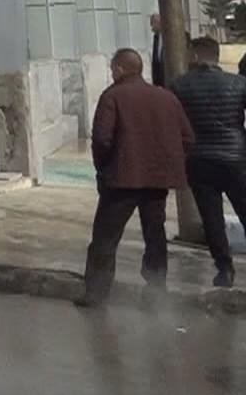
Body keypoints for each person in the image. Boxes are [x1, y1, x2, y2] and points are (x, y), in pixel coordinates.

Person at [81, 47, 196, 307]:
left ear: (120, 69)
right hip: (157, 181)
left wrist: (104, 169)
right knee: (155, 234)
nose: (112, 73)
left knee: (105, 238)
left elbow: (101, 139)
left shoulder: (113, 96)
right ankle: (156, 289)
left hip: (122, 180)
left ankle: (96, 293)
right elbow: (188, 138)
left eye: (113, 69)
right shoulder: (166, 97)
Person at [170, 36, 246, 288]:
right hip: (236, 159)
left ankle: (224, 269)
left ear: (194, 56)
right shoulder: (238, 83)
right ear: (217, 56)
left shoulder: (180, 86)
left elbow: (175, 126)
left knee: (212, 218)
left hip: (199, 159)